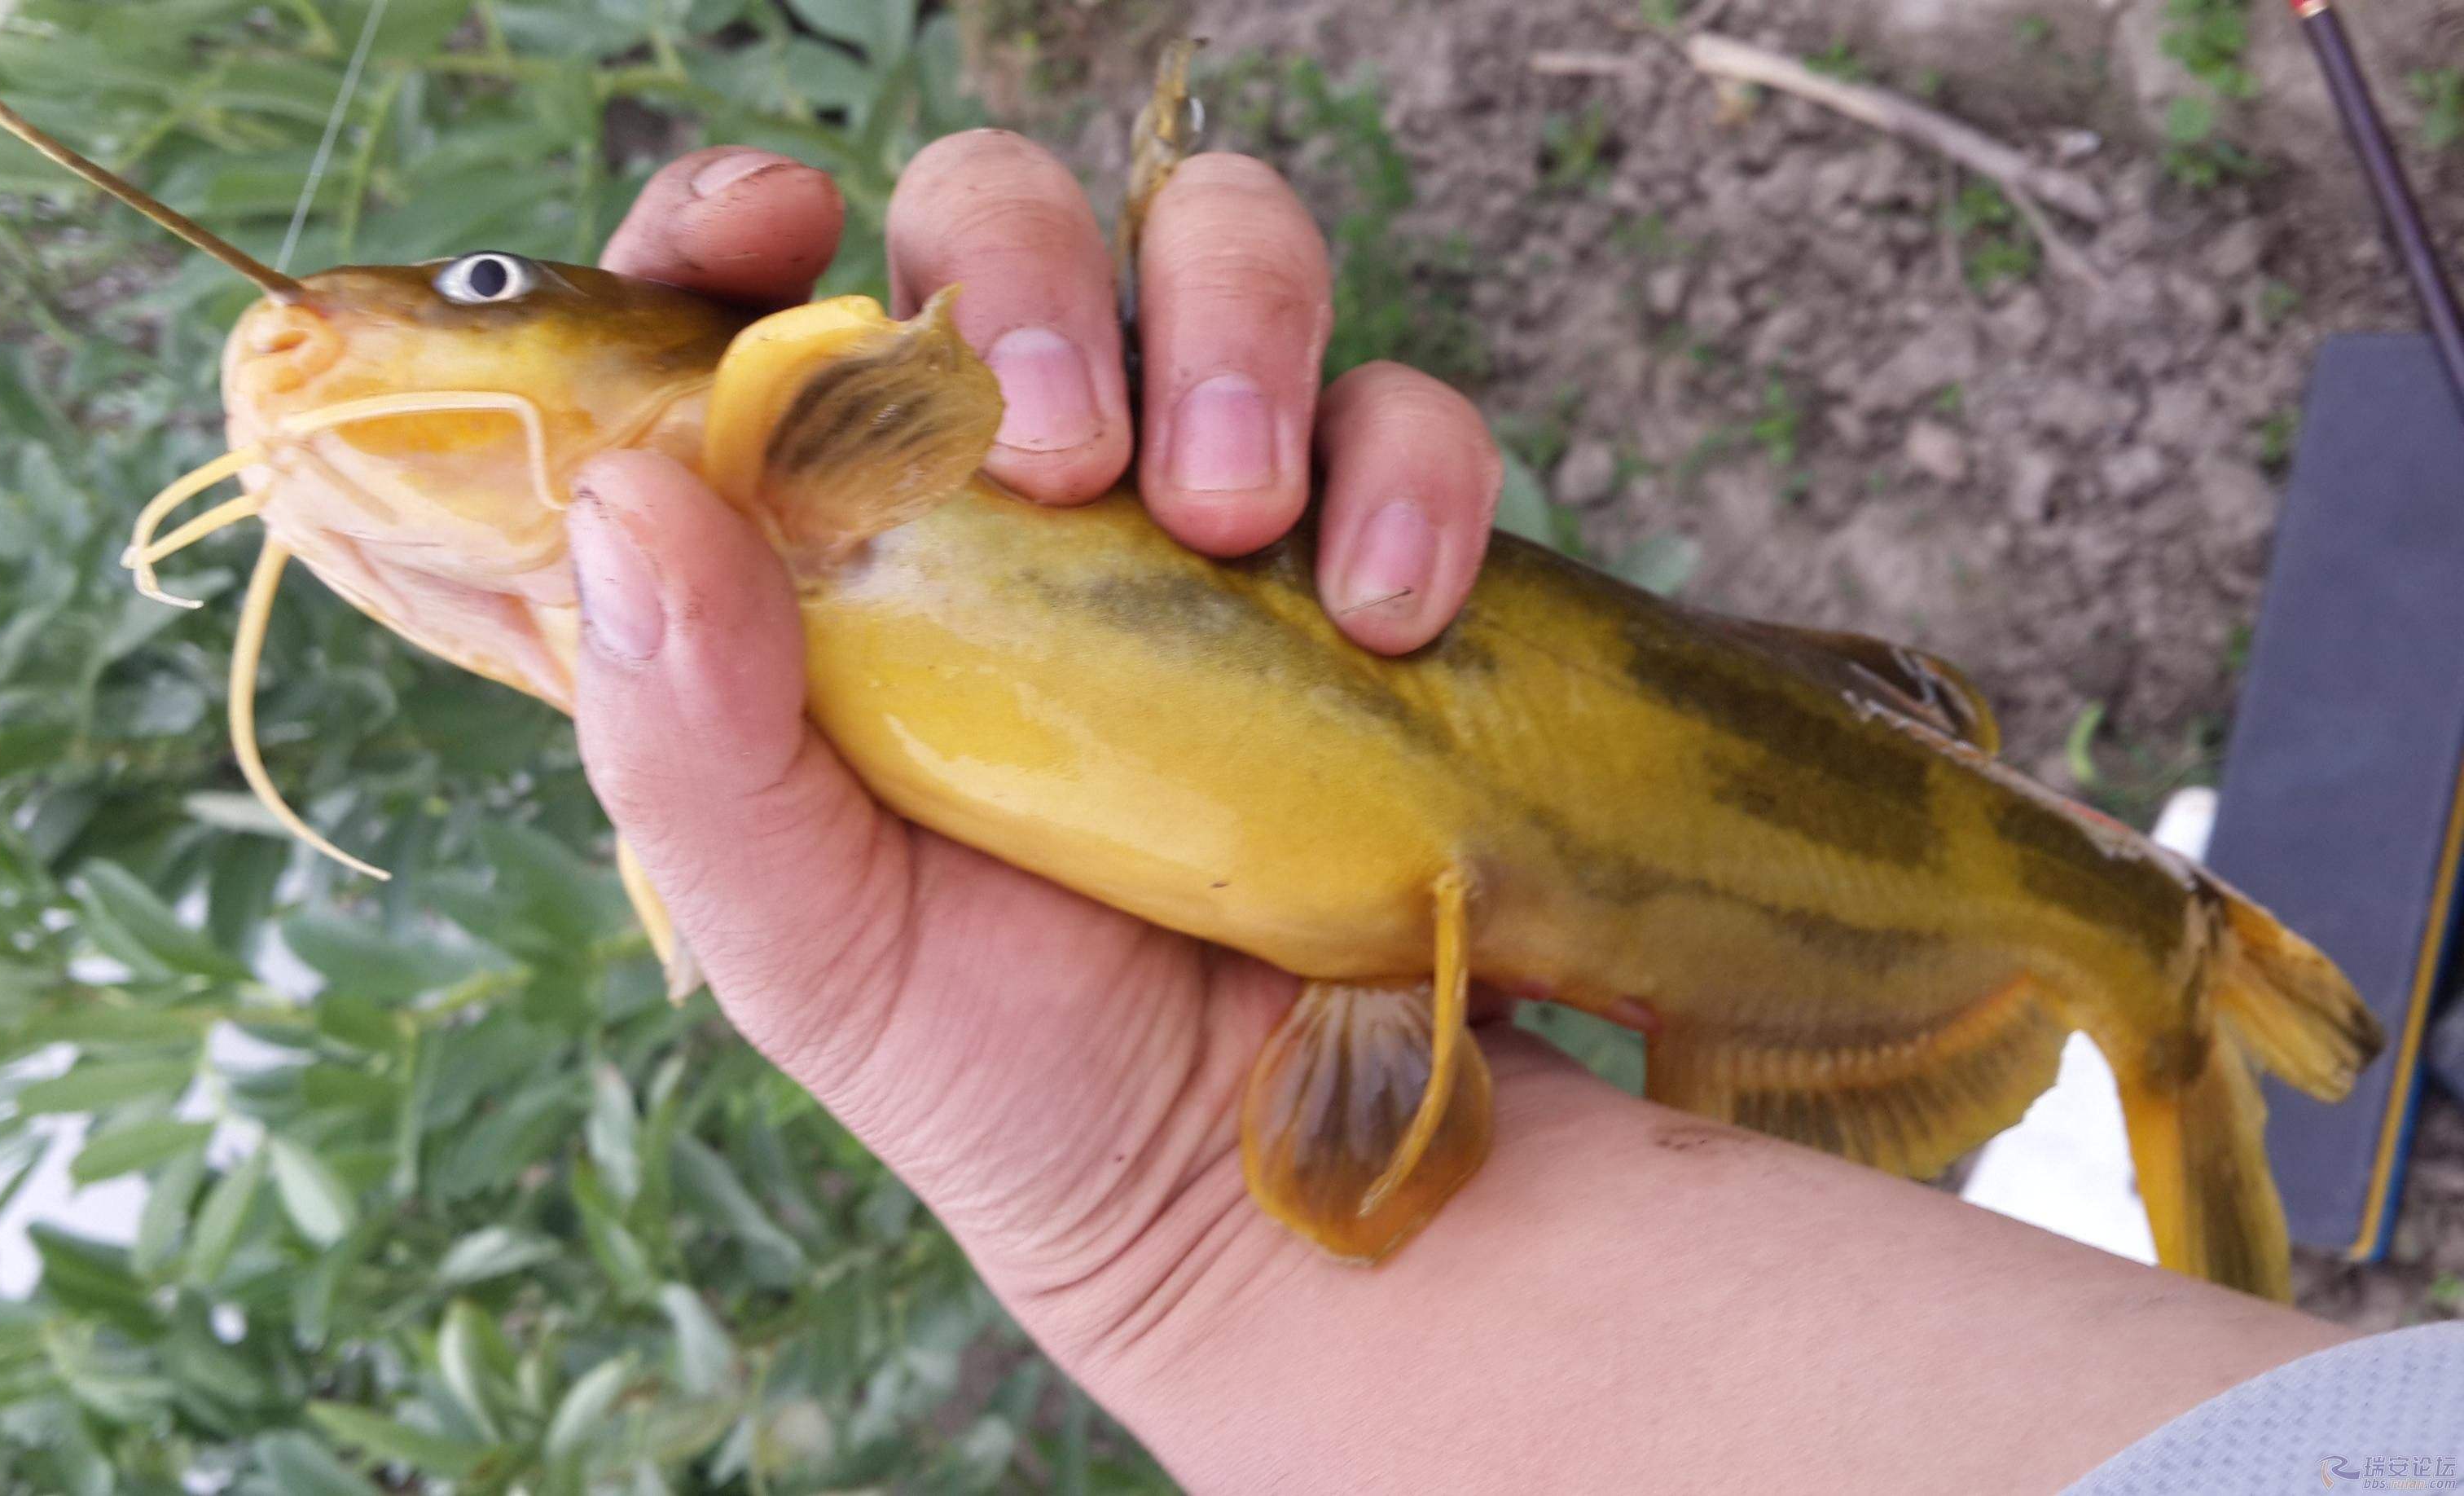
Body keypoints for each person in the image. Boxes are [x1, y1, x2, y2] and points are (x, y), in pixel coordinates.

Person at [566, 133, 2460, 1493]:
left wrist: (1188, 1260)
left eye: (487, 287)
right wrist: (1177, 1232)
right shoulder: (720, 559)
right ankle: (2149, 947)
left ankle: (2147, 942)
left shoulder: (768, 455)